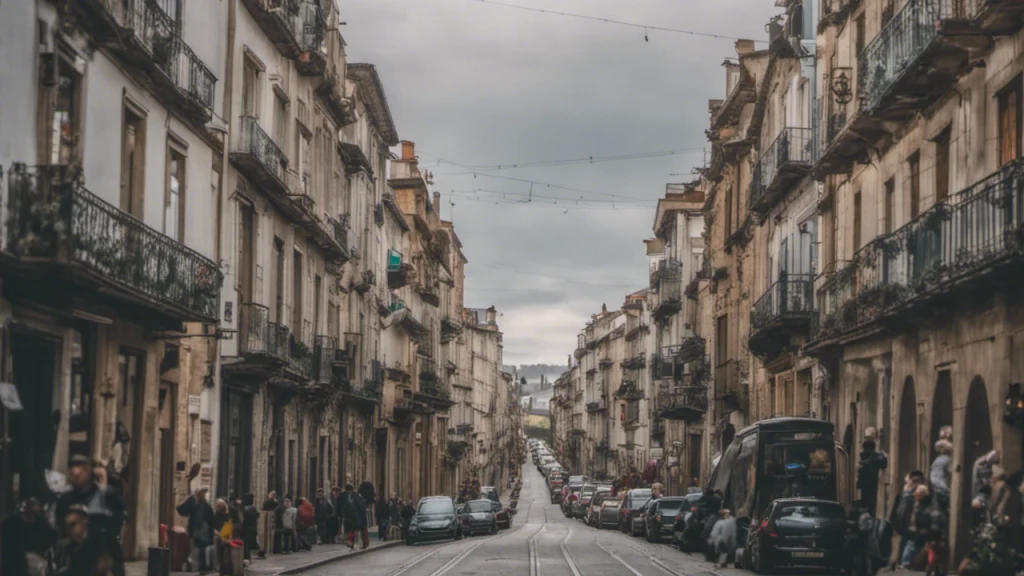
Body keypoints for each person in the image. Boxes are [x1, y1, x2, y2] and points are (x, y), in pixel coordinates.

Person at [55, 454, 126, 576]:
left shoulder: (104, 495)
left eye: (81, 470)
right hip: (75, 553)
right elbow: (59, 525)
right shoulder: (65, 500)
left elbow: (119, 519)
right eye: (73, 471)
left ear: (88, 472)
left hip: (102, 550)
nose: (76, 474)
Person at [0, 497, 56, 576]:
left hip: (35, 565)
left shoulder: (42, 525)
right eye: (28, 503)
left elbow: (51, 538)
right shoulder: (9, 524)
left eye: (33, 503)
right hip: (14, 566)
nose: (29, 506)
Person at [53, 506, 108, 576]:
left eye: (73, 524)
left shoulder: (99, 544)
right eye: (67, 525)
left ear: (84, 521)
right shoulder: (67, 546)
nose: (69, 529)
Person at [890, 470, 925, 568]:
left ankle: (904, 563)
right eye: (913, 481)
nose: (915, 483)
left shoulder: (920, 493)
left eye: (918, 481)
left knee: (909, 545)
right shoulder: (904, 494)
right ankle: (903, 563)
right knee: (906, 544)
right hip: (906, 526)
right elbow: (897, 510)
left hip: (912, 526)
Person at [177, 488, 217, 574]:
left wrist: (212, 531)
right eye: (201, 494)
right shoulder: (194, 503)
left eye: (203, 494)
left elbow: (212, 520)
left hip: (204, 532)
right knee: (197, 549)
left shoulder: (206, 506)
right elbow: (182, 510)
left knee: (201, 549)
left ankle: (203, 567)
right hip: (196, 531)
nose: (202, 495)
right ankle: (200, 567)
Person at [857, 439, 888, 516]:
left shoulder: (868, 456)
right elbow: (883, 463)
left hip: (866, 484)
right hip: (870, 484)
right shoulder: (872, 456)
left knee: (866, 505)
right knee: (870, 506)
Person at [342, 485, 368, 550]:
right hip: (355, 517)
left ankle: (363, 543)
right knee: (353, 530)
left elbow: (360, 506)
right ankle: (352, 543)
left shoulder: (354, 496)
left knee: (357, 530)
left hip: (358, 516)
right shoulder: (353, 496)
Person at [930, 440, 953, 506]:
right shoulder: (948, 460)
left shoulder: (936, 460)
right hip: (943, 490)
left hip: (935, 488)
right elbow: (952, 474)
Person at [242, 494, 260, 563]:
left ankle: (247, 558)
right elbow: (257, 515)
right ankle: (249, 558)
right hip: (253, 529)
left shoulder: (246, 509)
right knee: (248, 545)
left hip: (247, 529)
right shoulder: (253, 509)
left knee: (246, 544)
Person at [261, 491, 277, 556]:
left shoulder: (275, 502)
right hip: (266, 519)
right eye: (271, 495)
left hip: (272, 519)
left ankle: (270, 548)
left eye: (273, 495)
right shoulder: (266, 502)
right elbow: (263, 509)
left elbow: (276, 509)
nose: (272, 496)